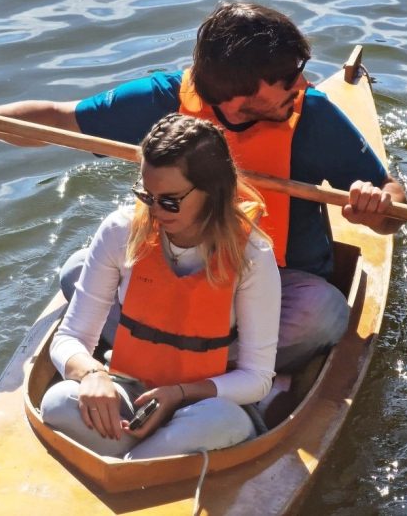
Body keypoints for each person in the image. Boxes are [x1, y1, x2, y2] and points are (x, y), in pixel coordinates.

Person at [0, 1, 407, 373]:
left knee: (323, 314)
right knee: (76, 272)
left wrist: (378, 208)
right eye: (285, 78)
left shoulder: (313, 116)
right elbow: (57, 120)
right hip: (172, 271)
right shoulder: (162, 99)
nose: (300, 85)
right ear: (240, 89)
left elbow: (391, 197)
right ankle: (213, 364)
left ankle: (187, 362)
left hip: (277, 283)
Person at [38, 113, 280, 458]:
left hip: (204, 405)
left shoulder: (253, 254)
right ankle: (148, 461)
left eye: (169, 201)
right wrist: (92, 374)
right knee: (58, 402)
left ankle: (128, 464)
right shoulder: (119, 231)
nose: (154, 211)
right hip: (132, 395)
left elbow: (257, 378)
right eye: (146, 195)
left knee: (220, 422)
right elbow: (69, 337)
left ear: (212, 191)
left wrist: (179, 394)